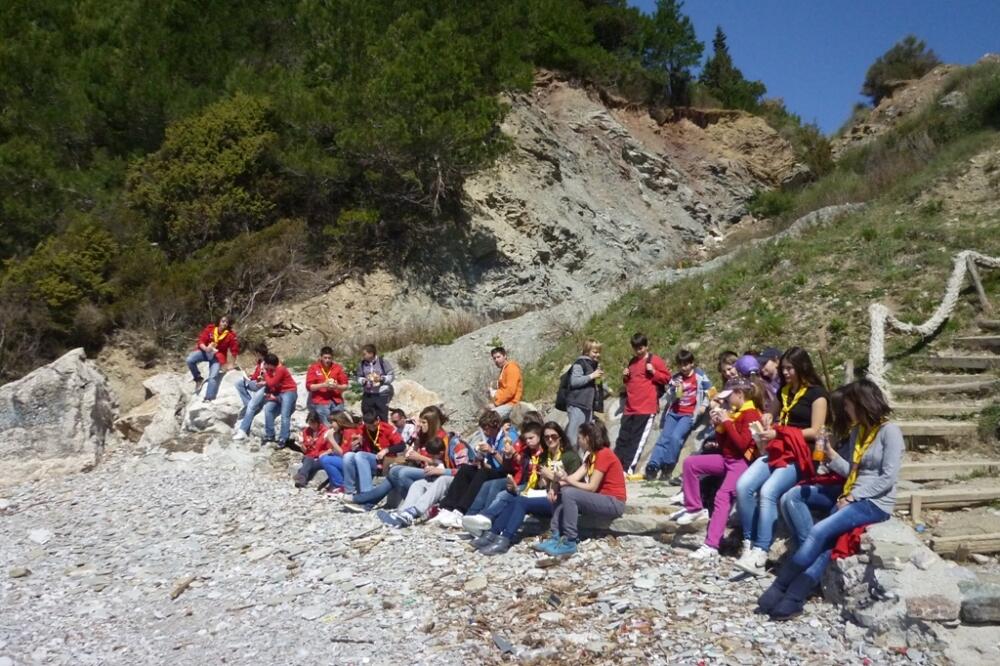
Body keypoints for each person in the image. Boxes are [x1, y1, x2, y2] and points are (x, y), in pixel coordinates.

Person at [757, 379, 903, 619]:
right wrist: (832, 455)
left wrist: (855, 495)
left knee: (817, 533)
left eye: (848, 406)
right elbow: (851, 471)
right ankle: (795, 597)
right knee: (826, 544)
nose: (845, 411)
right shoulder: (859, 431)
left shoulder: (890, 432)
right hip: (852, 495)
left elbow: (888, 477)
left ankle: (780, 587)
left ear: (861, 404)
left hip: (874, 502)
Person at [735, 347, 828, 576]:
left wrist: (780, 433)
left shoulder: (817, 395)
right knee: (744, 485)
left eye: (790, 368)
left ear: (802, 367)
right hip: (778, 449)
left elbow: (815, 431)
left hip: (800, 452)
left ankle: (761, 552)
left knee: (768, 491)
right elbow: (774, 414)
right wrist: (768, 418)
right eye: (783, 367)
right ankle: (748, 542)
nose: (785, 372)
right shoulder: (784, 391)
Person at [669, 377, 763, 560]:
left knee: (722, 496)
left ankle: (711, 544)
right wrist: (718, 426)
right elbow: (725, 444)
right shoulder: (736, 412)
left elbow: (743, 445)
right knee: (691, 463)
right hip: (727, 459)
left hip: (740, 463)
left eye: (729, 397)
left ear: (739, 394)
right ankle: (695, 507)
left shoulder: (750, 413)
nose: (726, 401)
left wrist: (727, 422)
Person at [472, 422, 583, 555]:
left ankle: (505, 538)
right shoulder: (544, 457)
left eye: (553, 436)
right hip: (545, 494)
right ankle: (493, 534)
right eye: (546, 437)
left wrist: (552, 477)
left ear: (560, 437)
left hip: (562, 499)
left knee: (521, 501)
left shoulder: (570, 456)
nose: (550, 439)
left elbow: (574, 485)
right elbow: (540, 484)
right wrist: (542, 480)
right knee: (514, 497)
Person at [533, 420, 626, 557]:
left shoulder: (604, 454)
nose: (578, 441)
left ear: (588, 438)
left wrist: (562, 478)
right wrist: (556, 482)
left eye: (580, 438)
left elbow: (592, 487)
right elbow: (574, 478)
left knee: (569, 493)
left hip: (614, 502)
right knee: (563, 490)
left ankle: (570, 540)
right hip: (601, 499)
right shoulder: (591, 457)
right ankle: (556, 535)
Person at [343, 406, 449, 512]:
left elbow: (442, 464)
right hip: (419, 467)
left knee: (396, 472)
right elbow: (408, 445)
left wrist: (420, 457)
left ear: (432, 423)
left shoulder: (441, 438)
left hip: (433, 473)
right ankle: (367, 504)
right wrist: (416, 443)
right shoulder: (422, 434)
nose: (420, 425)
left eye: (424, 422)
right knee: (392, 475)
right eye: (420, 422)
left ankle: (359, 498)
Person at [430, 410, 519, 528]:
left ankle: (461, 511)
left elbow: (507, 464)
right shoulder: (491, 439)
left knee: (483, 473)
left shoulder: (508, 437)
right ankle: (447, 507)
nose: (486, 432)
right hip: (494, 470)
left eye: (487, 429)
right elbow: (488, 464)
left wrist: (492, 452)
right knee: (466, 469)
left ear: (495, 426)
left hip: (507, 473)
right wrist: (480, 458)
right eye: (484, 429)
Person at [377, 432, 474, 528]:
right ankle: (402, 513)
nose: (431, 459)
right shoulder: (443, 448)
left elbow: (464, 472)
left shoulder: (458, 447)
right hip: (446, 476)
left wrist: (441, 471)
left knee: (443, 480)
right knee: (419, 484)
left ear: (440, 453)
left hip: (462, 481)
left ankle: (415, 511)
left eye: (433, 457)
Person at [644, 349, 713, 482]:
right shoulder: (676, 377)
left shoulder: (699, 376)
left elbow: (710, 390)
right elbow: (669, 398)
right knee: (664, 438)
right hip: (674, 413)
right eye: (681, 365)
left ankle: (667, 466)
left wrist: (704, 405)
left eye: (686, 364)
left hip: (688, 415)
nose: (684, 368)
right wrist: (673, 389)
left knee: (676, 438)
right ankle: (653, 465)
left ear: (692, 363)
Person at [614, 333, 670, 477]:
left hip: (646, 407)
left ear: (646, 346)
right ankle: (616, 468)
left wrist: (654, 372)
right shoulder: (632, 362)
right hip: (630, 407)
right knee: (622, 439)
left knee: (636, 440)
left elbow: (666, 378)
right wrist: (625, 376)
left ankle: (627, 470)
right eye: (636, 348)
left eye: (641, 347)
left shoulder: (654, 360)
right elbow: (630, 382)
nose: (639, 351)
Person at [341, 410, 404, 495]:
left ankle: (366, 493)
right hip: (369, 459)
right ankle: (349, 491)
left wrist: (386, 450)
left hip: (385, 460)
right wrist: (354, 446)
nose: (371, 428)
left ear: (377, 420)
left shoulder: (387, 428)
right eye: (368, 426)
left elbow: (401, 445)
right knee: (348, 456)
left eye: (373, 426)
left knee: (360, 455)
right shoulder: (362, 429)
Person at [563, 340, 605, 451]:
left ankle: (583, 461)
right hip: (577, 404)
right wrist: (592, 376)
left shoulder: (593, 365)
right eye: (595, 352)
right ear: (587, 351)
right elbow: (574, 381)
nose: (598, 355)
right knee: (574, 436)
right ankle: (570, 457)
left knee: (586, 436)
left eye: (599, 352)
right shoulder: (580, 363)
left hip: (587, 405)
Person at [186, 315, 239, 400]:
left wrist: (232, 364)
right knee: (190, 360)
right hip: (205, 352)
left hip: (217, 357)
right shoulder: (211, 329)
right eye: (223, 321)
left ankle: (208, 398)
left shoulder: (230, 335)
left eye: (226, 322)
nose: (224, 323)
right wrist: (206, 348)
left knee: (213, 376)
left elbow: (234, 350)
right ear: (219, 321)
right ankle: (198, 378)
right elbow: (201, 341)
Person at [258, 353, 298, 448]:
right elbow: (272, 384)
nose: (265, 366)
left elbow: (272, 383)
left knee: (285, 414)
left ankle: (283, 438)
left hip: (289, 391)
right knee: (268, 409)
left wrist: (266, 374)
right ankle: (270, 435)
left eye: (266, 364)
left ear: (270, 364)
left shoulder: (281, 369)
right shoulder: (272, 370)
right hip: (279, 393)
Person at [318, 412, 361, 494]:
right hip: (348, 461)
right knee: (325, 457)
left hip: (352, 463)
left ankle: (340, 485)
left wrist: (331, 439)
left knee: (326, 460)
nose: (331, 425)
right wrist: (328, 451)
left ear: (339, 421)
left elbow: (343, 453)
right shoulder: (343, 431)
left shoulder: (349, 432)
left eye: (332, 422)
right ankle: (335, 484)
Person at [306, 347, 349, 426]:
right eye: (325, 358)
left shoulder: (338, 368)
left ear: (332, 358)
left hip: (336, 400)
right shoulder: (313, 368)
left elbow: (345, 386)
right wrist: (323, 385)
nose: (327, 360)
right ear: (321, 357)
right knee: (327, 425)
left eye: (329, 358)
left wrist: (337, 386)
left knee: (340, 425)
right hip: (321, 401)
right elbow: (309, 387)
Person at [233, 342, 268, 438]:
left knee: (252, 406)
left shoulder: (268, 362)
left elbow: (270, 377)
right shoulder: (260, 362)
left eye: (256, 353)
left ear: (259, 353)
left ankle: (243, 430)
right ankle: (248, 403)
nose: (255, 356)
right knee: (238, 383)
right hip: (257, 383)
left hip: (264, 386)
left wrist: (262, 379)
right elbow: (257, 375)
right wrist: (250, 377)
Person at [356, 344, 394, 421]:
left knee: (383, 416)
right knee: (367, 416)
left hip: (381, 394)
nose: (363, 356)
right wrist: (363, 381)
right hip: (368, 394)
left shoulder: (382, 362)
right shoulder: (362, 364)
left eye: (364, 354)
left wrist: (381, 379)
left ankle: (384, 432)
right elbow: (358, 377)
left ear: (371, 354)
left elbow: (391, 376)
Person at [294, 411, 331, 488]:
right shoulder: (306, 431)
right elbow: (305, 450)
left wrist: (322, 454)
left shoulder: (326, 432)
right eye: (310, 424)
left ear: (318, 422)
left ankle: (301, 475)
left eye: (313, 424)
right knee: (308, 459)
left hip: (320, 457)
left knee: (308, 464)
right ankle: (302, 479)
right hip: (309, 457)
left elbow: (330, 448)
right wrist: (302, 446)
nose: (311, 426)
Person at [489, 347, 523, 418]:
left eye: (498, 357)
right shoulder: (504, 369)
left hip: (512, 404)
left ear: (505, 356)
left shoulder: (511, 367)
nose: (496, 360)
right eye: (494, 358)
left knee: (489, 418)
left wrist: (496, 403)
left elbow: (510, 391)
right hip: (505, 403)